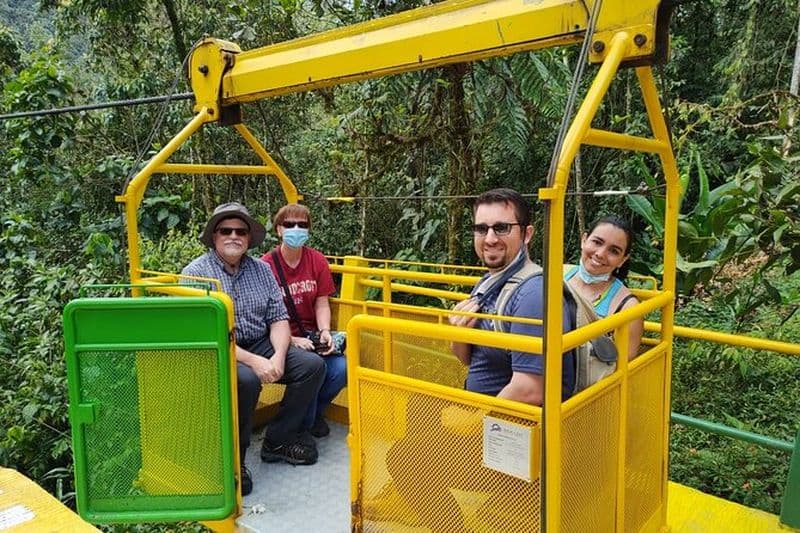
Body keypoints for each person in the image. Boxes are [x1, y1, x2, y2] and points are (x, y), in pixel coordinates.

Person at [369, 188, 576, 531]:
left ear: (527, 233)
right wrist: (459, 333)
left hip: (518, 439)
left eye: (501, 228)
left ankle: (448, 522)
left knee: (404, 459)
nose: (489, 238)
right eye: (482, 229)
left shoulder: (532, 294)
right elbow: (469, 360)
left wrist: (471, 420)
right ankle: (416, 489)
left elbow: (530, 388)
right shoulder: (491, 282)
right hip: (495, 419)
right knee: (422, 404)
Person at [181, 202, 326, 497]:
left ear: (249, 237)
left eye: (241, 231)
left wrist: (279, 356)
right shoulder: (195, 274)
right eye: (226, 230)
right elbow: (207, 333)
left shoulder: (261, 270)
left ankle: (278, 440)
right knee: (246, 381)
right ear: (214, 236)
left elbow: (278, 318)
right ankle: (236, 461)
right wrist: (256, 362)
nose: (233, 236)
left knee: (312, 366)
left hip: (259, 341)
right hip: (218, 349)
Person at [262, 203, 347, 439]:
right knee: (313, 368)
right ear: (278, 229)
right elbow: (263, 316)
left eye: (302, 225)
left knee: (341, 369)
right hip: (279, 340)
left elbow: (321, 301)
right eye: (289, 225)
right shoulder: (265, 266)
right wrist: (293, 340)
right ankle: (300, 428)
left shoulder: (317, 261)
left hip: (310, 336)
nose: (296, 229)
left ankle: (310, 416)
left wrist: (325, 332)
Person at [564, 215, 643, 360]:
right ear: (584, 240)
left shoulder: (628, 308)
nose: (600, 254)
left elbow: (622, 366)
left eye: (614, 251)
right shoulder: (559, 274)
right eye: (597, 242)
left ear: (623, 260)